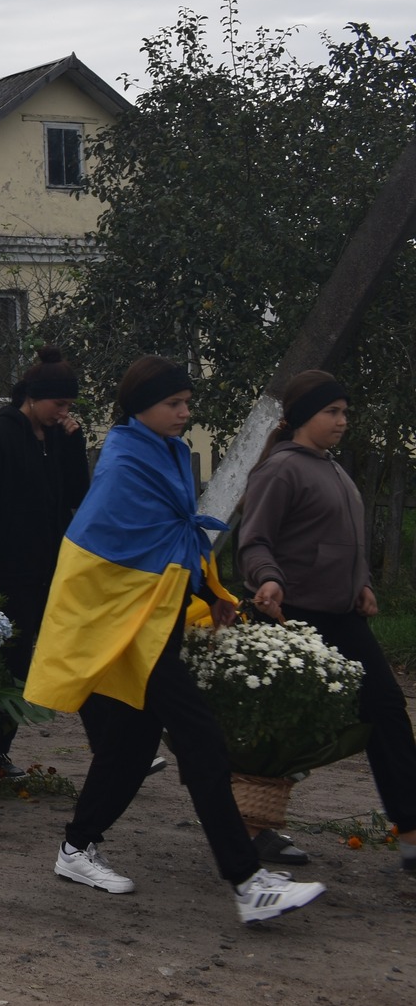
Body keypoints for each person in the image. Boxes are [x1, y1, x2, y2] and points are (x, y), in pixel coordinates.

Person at [27, 356, 326, 923]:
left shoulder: (163, 450)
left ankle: (76, 847)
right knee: (202, 742)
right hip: (124, 619)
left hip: (150, 617)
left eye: (187, 402)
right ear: (141, 407)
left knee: (130, 749)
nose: (186, 412)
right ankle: (246, 881)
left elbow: (172, 536)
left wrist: (210, 591)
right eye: (175, 404)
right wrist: (199, 587)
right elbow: (123, 551)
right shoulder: (123, 462)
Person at [239, 371, 416, 878]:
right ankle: (251, 828)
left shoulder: (332, 469)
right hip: (291, 621)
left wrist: (360, 582)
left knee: (385, 710)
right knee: (281, 731)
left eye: (343, 411)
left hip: (341, 618)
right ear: (300, 418)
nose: (342, 421)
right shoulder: (280, 471)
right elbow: (254, 541)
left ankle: (411, 835)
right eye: (331, 412)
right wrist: (268, 580)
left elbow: (342, 543)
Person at [0, 346, 90, 779]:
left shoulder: (55, 438)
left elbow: (74, 497)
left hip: (48, 568)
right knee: (7, 661)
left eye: (69, 405)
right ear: (31, 397)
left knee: (48, 656)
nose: (63, 412)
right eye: (59, 404)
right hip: (4, 570)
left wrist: (74, 444)